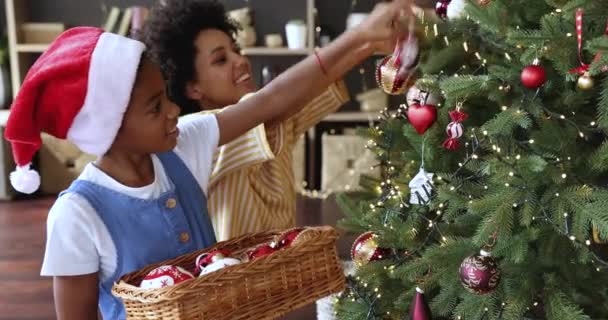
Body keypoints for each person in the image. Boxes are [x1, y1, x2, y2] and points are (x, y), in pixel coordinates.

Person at [4, 1, 412, 318]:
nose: (173, 111)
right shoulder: (76, 215)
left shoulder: (184, 145)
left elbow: (269, 101)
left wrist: (361, 38)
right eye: (154, 106)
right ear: (108, 127)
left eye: (166, 96)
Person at [143, 0, 408, 241]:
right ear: (192, 88)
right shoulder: (203, 136)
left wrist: (371, 44)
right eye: (221, 60)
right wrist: (362, 35)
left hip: (283, 284)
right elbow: (272, 102)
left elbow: (312, 85)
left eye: (236, 50)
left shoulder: (276, 119)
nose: (241, 61)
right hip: (236, 289)